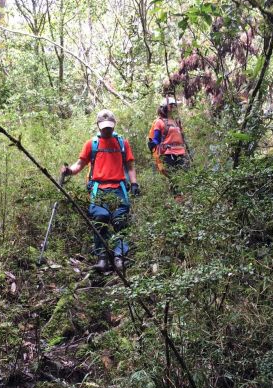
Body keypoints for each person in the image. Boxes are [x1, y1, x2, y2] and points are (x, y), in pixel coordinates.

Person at [61, 109, 140, 272]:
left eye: (109, 127)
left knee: (120, 221)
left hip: (119, 188)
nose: (107, 130)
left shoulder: (122, 143)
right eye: (104, 127)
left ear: (114, 125)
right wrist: (68, 171)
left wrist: (134, 183)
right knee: (100, 218)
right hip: (99, 189)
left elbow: (130, 166)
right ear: (98, 126)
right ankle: (102, 258)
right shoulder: (91, 144)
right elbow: (79, 165)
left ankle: (120, 257)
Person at [149, 96, 189, 179]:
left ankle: (186, 192)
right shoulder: (159, 122)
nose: (174, 108)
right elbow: (156, 139)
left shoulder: (176, 122)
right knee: (173, 179)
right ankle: (176, 192)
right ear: (165, 107)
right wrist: (153, 143)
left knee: (186, 177)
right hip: (168, 154)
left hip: (181, 153)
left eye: (174, 106)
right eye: (171, 105)